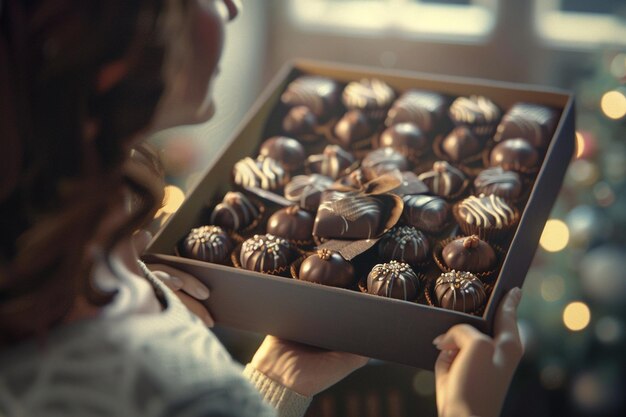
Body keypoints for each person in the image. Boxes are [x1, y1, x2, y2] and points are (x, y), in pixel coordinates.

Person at [0, 1, 524, 416]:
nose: (231, 6)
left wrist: (276, 380)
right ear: (108, 48)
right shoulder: (136, 367)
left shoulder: (70, 248)